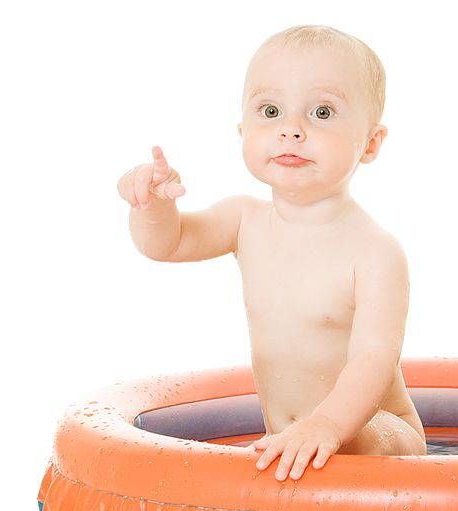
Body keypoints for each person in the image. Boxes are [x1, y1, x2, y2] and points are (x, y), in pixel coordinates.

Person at [117, 25, 426, 482]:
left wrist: (328, 425)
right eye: (271, 110)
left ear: (371, 143)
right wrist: (152, 205)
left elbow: (374, 358)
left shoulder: (375, 252)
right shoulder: (244, 220)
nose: (291, 130)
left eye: (322, 112)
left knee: (359, 438)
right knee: (292, 457)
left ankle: (325, 439)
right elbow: (168, 243)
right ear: (243, 129)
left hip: (379, 433)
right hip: (292, 435)